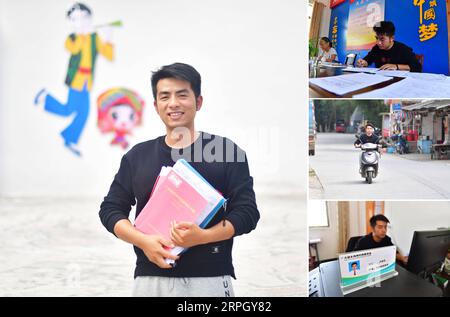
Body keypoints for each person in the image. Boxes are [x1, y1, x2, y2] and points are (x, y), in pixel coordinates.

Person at [99, 63, 260, 297]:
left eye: (182, 95)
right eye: (165, 96)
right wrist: (143, 241)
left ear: (199, 101)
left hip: (210, 278)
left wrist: (203, 237)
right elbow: (110, 209)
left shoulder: (227, 152)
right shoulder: (137, 156)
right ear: (156, 106)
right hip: (150, 278)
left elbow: (247, 212)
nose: (173, 103)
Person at [34, 2, 114, 156]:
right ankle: (46, 98)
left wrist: (108, 36)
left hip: (87, 82)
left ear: (90, 18)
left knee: (81, 112)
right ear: (71, 22)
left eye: (84, 17)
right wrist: (83, 33)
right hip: (76, 80)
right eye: (76, 19)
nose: (82, 21)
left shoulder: (94, 37)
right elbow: (74, 48)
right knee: (71, 111)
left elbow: (107, 54)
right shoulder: (71, 38)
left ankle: (69, 138)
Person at [356, 21, 422, 72]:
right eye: (377, 38)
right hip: (380, 82)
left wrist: (396, 66)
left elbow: (418, 67)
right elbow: (368, 60)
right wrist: (363, 62)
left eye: (382, 39)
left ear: (392, 38)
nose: (378, 43)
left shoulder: (402, 49)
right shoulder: (376, 48)